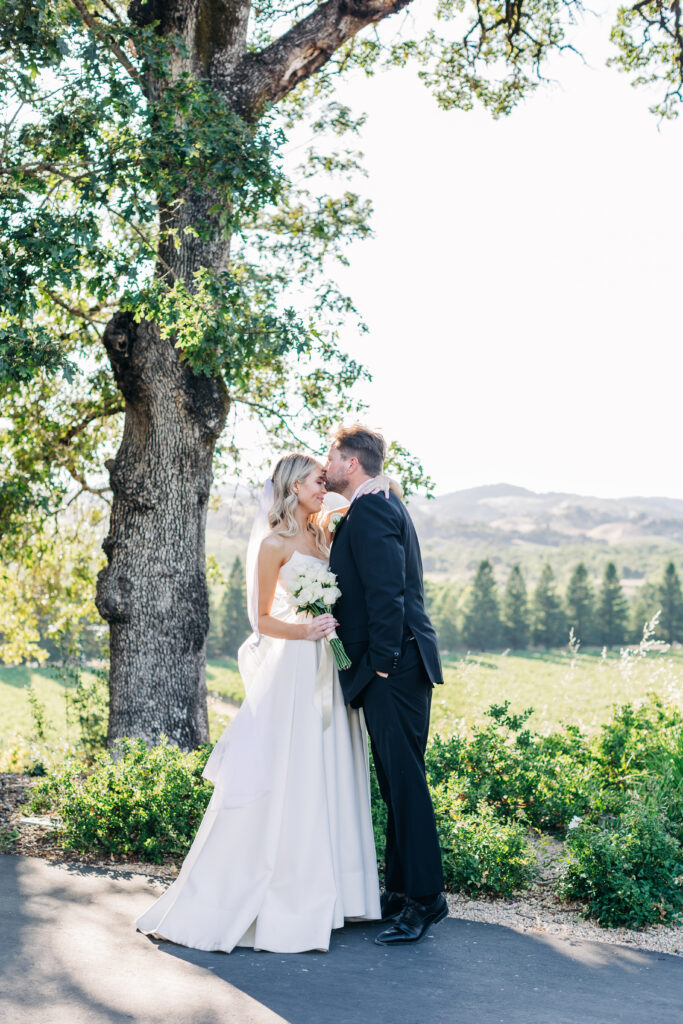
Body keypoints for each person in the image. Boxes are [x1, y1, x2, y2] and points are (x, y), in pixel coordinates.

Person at [136, 454, 381, 954]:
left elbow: (353, 499)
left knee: (332, 765)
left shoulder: (325, 534)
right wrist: (306, 628)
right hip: (294, 667)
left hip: (328, 666)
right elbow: (263, 620)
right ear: (293, 486)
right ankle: (280, 890)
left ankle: (340, 892)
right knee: (293, 770)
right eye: (317, 479)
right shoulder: (273, 545)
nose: (325, 484)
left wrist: (381, 484)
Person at [325, 425, 447, 946]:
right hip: (396, 666)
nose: (324, 464)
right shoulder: (376, 501)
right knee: (397, 782)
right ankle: (399, 891)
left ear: (352, 463)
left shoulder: (372, 508)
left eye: (331, 455)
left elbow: (387, 590)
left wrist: (380, 662)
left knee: (405, 783)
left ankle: (425, 900)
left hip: (393, 668)